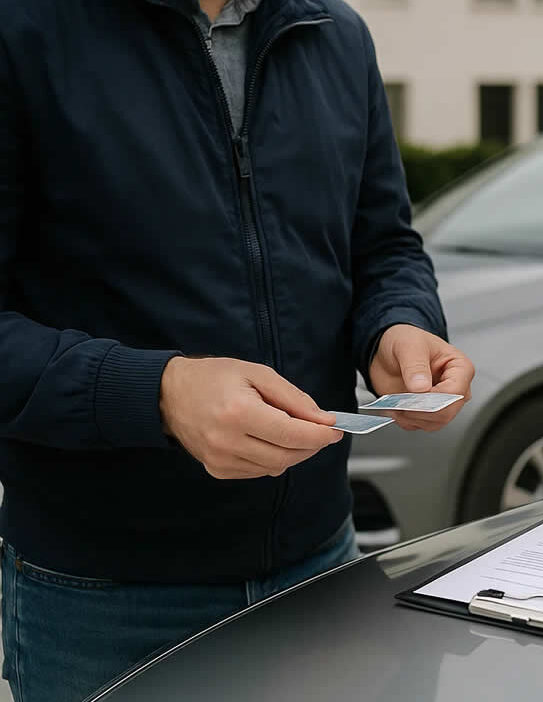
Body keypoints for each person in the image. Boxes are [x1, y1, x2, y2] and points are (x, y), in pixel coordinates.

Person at [0, 0, 474, 700]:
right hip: (105, 606)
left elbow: (385, 247)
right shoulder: (23, 29)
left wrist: (397, 325)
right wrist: (159, 393)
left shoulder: (336, 36)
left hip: (323, 567)